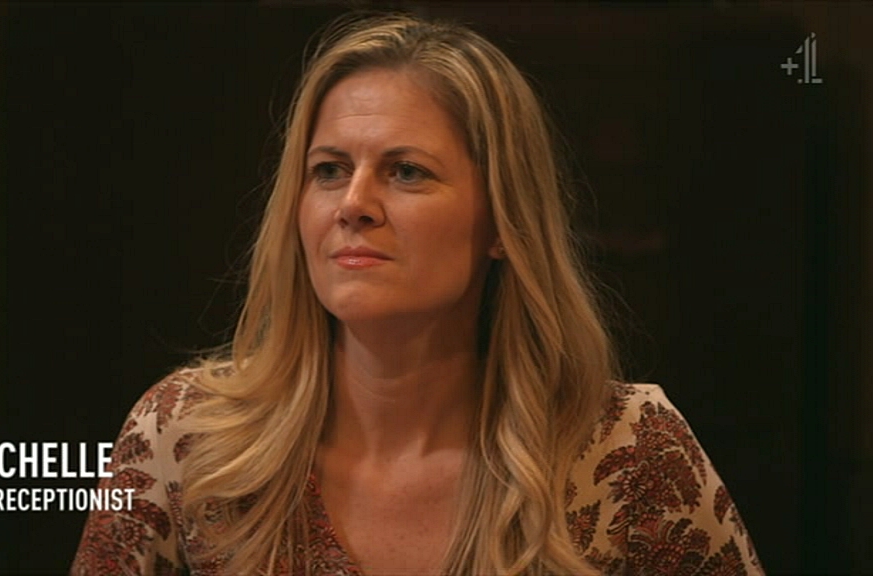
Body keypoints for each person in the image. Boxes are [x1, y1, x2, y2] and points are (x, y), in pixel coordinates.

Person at [72, 13, 763, 576]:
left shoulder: (628, 450)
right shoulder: (187, 436)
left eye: (406, 171)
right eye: (329, 169)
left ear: (502, 221)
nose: (353, 203)